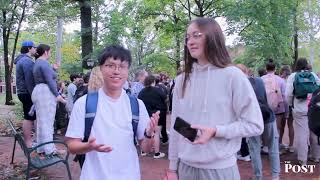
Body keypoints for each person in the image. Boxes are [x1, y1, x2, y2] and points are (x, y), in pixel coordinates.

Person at [167, 18, 264, 180]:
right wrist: (172, 168)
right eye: (188, 37)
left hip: (221, 171)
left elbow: (255, 125)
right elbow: (177, 126)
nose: (190, 41)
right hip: (185, 169)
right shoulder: (182, 80)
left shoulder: (233, 76)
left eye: (196, 35)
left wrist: (217, 131)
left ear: (213, 37)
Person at [65, 45, 159, 180]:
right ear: (101, 69)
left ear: (127, 71)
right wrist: (88, 146)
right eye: (110, 65)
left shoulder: (137, 105)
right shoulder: (84, 104)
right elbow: (72, 146)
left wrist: (149, 133)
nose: (116, 71)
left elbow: (146, 148)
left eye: (122, 66)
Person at [236, 64, 280, 180]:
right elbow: (266, 99)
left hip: (251, 120)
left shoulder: (238, 86)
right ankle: (275, 176)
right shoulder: (260, 81)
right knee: (273, 148)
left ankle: (258, 176)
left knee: (254, 149)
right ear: (247, 71)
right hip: (267, 116)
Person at [32, 44, 66, 155]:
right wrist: (57, 95)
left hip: (38, 91)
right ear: (46, 52)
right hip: (45, 92)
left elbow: (46, 76)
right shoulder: (44, 63)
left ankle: (41, 148)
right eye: (50, 51)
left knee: (42, 121)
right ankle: (50, 149)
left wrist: (53, 68)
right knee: (48, 121)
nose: (50, 54)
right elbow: (50, 80)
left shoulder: (38, 62)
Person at [285, 58, 320, 165]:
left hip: (299, 108)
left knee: (301, 133)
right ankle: (316, 156)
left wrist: (292, 104)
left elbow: (288, 94)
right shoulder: (313, 75)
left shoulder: (292, 76)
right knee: (314, 131)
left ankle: (302, 159)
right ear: (306, 65)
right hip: (313, 108)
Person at [14, 40, 37, 148]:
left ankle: (30, 141)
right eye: (34, 47)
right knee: (29, 118)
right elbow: (29, 80)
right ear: (29, 48)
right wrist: (34, 94)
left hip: (23, 92)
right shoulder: (27, 61)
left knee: (29, 117)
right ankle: (28, 142)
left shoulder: (21, 60)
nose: (35, 49)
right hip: (27, 92)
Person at [138, 75, 167, 158]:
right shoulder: (158, 90)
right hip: (157, 115)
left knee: (145, 133)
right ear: (153, 81)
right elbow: (165, 98)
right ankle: (156, 153)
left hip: (146, 115)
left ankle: (143, 151)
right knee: (157, 133)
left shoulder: (142, 92)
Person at [261, 59, 286, 153]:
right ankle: (275, 146)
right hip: (278, 107)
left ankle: (265, 146)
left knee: (265, 126)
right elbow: (284, 95)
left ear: (266, 68)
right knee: (277, 127)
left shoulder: (261, 79)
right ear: (275, 68)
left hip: (265, 107)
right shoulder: (280, 80)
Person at [279, 65, 294, 152]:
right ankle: (291, 145)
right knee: (290, 125)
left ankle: (280, 143)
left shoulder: (279, 80)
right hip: (291, 104)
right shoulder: (292, 78)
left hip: (283, 105)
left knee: (282, 125)